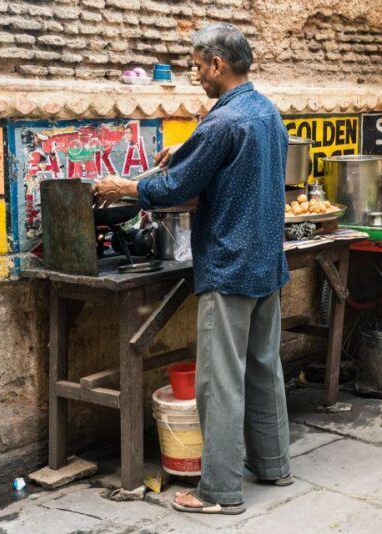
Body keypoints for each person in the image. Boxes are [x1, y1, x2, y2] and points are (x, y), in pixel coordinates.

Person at [94, 23, 292, 515]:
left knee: (219, 382)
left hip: (229, 264)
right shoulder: (266, 111)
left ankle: (219, 493)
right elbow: (223, 163)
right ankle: (273, 465)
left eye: (198, 65)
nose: (196, 74)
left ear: (218, 65)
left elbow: (174, 189)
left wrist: (125, 187)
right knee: (264, 368)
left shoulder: (224, 121)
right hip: (267, 260)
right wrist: (185, 153)